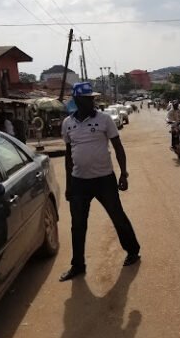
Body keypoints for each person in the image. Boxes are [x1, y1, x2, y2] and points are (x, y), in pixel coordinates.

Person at [60, 82, 141, 282]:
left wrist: (123, 174)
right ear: (77, 100)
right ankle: (77, 265)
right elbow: (68, 155)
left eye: (92, 98)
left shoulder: (105, 120)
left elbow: (118, 146)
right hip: (79, 182)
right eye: (88, 98)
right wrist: (69, 185)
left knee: (117, 215)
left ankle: (133, 250)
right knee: (77, 225)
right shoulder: (67, 123)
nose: (92, 101)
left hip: (104, 179)